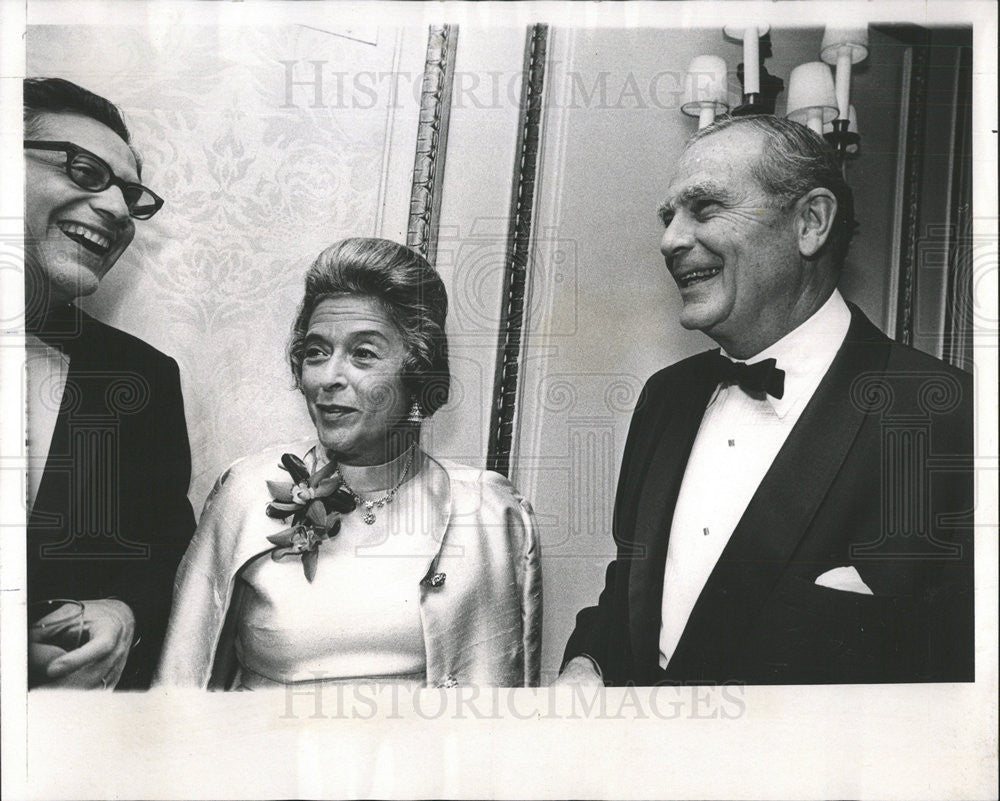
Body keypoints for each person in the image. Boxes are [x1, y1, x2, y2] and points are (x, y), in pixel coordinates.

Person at [556, 115, 974, 686]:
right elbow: (628, 584)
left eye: (704, 209)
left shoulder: (949, 418)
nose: (670, 240)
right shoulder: (665, 398)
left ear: (811, 222)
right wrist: (589, 661)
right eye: (668, 217)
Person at [155, 238, 541, 689]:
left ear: (416, 371)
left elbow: (509, 709)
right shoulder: (245, 493)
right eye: (316, 352)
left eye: (363, 353)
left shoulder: (490, 511)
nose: (328, 377)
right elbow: (182, 685)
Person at [24, 78, 196, 689]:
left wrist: (125, 615)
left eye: (130, 196)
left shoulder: (142, 379)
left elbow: (166, 561)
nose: (121, 212)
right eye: (85, 171)